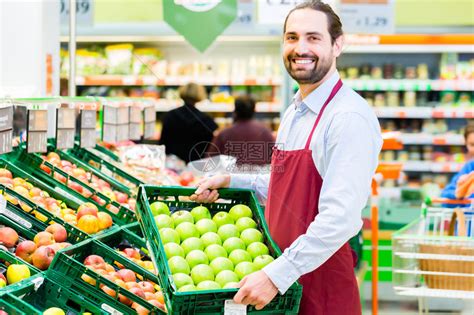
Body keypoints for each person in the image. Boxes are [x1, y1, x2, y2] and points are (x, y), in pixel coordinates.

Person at [190, 1, 382, 314]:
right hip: (280, 283)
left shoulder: (348, 117)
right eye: (291, 37)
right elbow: (284, 186)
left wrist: (276, 275)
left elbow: (341, 218)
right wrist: (231, 179)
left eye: (313, 37)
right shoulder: (295, 112)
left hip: (318, 288)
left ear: (338, 45)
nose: (300, 47)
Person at [207, 95, 275, 165]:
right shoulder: (265, 132)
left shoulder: (224, 134)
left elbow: (210, 160)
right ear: (253, 110)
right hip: (260, 174)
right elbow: (275, 158)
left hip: (230, 174)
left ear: (235, 110)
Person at [159, 83, 217, 163]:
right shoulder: (206, 119)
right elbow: (209, 146)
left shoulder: (170, 116)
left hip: (173, 162)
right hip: (197, 163)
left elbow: (163, 142)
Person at [441, 123, 474, 200]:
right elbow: (445, 197)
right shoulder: (469, 168)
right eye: (472, 145)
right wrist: (458, 193)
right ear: (466, 144)